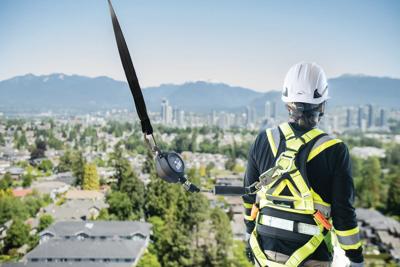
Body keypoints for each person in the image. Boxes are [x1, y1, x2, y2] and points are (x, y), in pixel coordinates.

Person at [242, 62, 364, 267]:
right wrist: (355, 257)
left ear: (287, 102)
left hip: (263, 250)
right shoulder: (335, 149)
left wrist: (248, 233)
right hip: (311, 253)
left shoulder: (263, 140)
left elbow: (248, 196)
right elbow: (343, 213)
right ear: (322, 105)